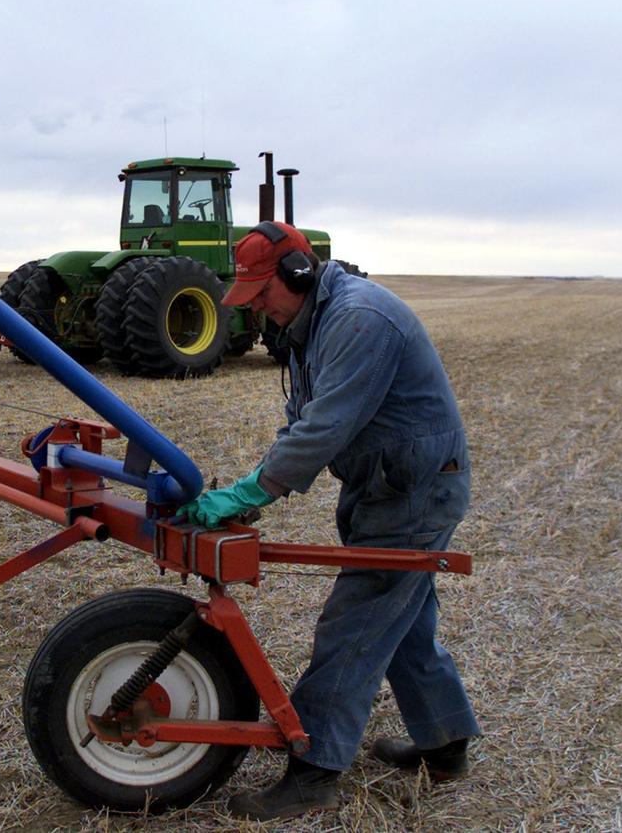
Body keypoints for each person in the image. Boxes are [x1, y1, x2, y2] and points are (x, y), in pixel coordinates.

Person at [179, 221, 480, 822]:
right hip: (382, 484)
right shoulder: (306, 326)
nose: (259, 307)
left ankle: (314, 771)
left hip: (415, 489)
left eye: (265, 293)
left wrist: (251, 491)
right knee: (403, 620)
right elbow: (302, 419)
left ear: (300, 273)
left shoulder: (360, 319)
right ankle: (445, 745)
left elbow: (326, 426)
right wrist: (253, 491)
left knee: (356, 624)